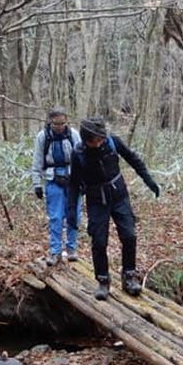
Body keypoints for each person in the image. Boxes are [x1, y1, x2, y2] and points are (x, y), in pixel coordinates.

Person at [67, 116, 160, 300]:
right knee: (99, 242)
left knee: (129, 235)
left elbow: (133, 159)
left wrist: (149, 180)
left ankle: (129, 277)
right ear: (86, 140)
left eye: (101, 138)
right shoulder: (78, 154)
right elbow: (73, 184)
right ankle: (103, 281)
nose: (100, 142)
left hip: (119, 197)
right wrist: (71, 211)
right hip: (96, 202)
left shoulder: (112, 142)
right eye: (96, 140)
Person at [31, 106, 83, 266]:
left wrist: (85, 181)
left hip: (73, 179)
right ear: (50, 122)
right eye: (56, 124)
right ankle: (55, 251)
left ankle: (72, 249)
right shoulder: (43, 137)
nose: (59, 127)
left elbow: (83, 159)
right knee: (55, 217)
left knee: (74, 215)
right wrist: (37, 184)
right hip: (53, 179)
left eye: (62, 123)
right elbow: (38, 160)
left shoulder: (74, 135)